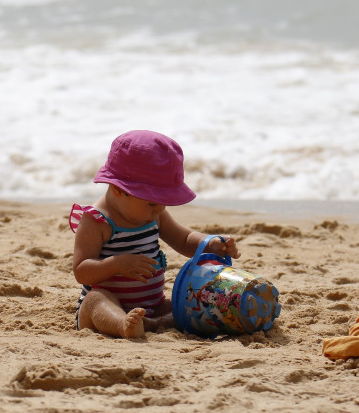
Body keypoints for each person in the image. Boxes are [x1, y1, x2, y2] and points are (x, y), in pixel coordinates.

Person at [69, 130, 239, 338]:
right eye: (151, 202)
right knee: (96, 299)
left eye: (164, 201)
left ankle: (152, 323)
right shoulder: (97, 221)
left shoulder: (154, 214)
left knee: (187, 304)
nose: (159, 209)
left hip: (152, 305)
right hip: (106, 307)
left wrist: (210, 244)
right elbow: (81, 271)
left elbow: (183, 240)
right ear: (117, 189)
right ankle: (122, 324)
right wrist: (117, 264)